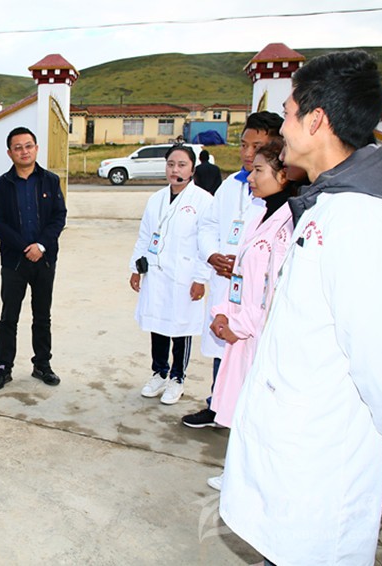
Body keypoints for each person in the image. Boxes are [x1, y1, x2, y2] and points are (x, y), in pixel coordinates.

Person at [220, 50, 382, 566]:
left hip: (323, 456)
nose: (281, 127)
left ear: (316, 120)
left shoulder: (364, 220)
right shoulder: (329, 203)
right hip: (297, 448)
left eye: (288, 113)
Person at [203, 140, 299, 491]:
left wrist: (239, 324)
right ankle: (239, 473)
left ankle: (253, 481)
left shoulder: (289, 225)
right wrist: (223, 313)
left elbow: (274, 292)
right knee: (244, 408)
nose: (251, 177)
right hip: (241, 329)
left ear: (283, 175)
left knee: (262, 413)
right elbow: (242, 276)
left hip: (260, 334)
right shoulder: (261, 214)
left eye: (259, 170)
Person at [182, 112, 283, 429]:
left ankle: (246, 414)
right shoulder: (230, 186)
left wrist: (241, 262)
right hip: (227, 285)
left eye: (257, 147)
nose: (247, 153)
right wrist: (213, 255)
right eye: (243, 145)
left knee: (251, 352)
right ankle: (217, 405)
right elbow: (208, 225)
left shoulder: (283, 198)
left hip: (256, 293)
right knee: (222, 346)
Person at [128, 145, 212, 405]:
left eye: (182, 165)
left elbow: (207, 243)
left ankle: (177, 378)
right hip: (156, 273)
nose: (175, 170)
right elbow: (145, 235)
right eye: (171, 164)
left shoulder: (203, 201)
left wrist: (201, 278)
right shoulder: (156, 199)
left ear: (192, 169)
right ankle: (159, 372)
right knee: (158, 324)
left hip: (185, 276)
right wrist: (135, 268)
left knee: (181, 327)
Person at [0, 127, 67, 390]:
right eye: (18, 147)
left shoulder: (50, 181)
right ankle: (3, 367)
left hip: (45, 260)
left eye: (28, 146)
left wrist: (41, 245)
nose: (24, 151)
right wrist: (26, 247)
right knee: (8, 317)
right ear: (10, 153)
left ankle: (42, 364)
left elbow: (58, 216)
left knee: (42, 316)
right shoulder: (2, 184)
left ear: (36, 148)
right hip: (15, 262)